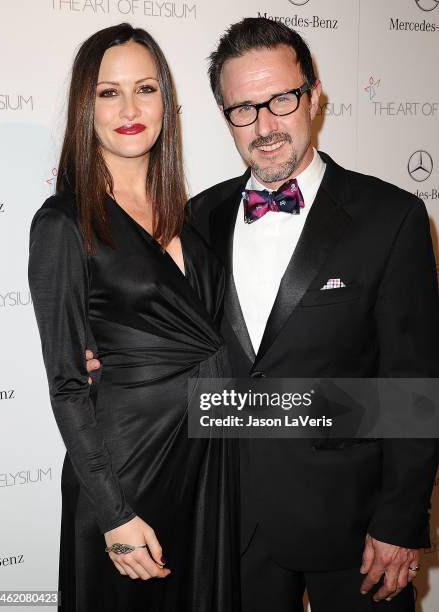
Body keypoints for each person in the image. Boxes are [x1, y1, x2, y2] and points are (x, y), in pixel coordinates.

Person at [186, 17, 439, 612]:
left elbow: (414, 384)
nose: (265, 125)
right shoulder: (197, 218)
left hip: (354, 528)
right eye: (243, 109)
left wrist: (401, 521)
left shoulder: (391, 217)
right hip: (231, 523)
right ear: (225, 116)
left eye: (281, 99)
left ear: (314, 95)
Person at [28, 23, 239, 612]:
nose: (128, 108)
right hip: (127, 473)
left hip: (204, 463)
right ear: (83, 105)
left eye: (144, 89)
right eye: (107, 92)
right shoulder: (63, 223)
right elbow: (68, 383)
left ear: (167, 104)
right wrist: (113, 514)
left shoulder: (195, 218)